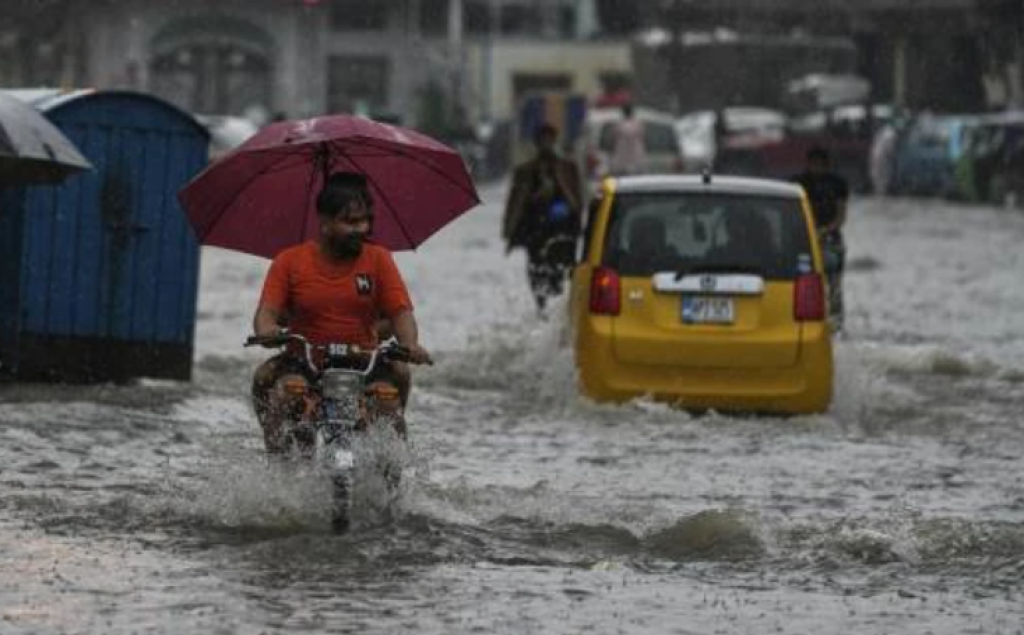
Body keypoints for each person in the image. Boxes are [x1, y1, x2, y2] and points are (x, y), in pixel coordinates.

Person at [251, 172, 431, 453]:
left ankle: (390, 478)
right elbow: (267, 312)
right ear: (325, 222)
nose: (361, 228)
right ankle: (281, 475)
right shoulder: (289, 261)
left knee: (390, 398)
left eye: (365, 220)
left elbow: (401, 313)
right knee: (276, 387)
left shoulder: (379, 259)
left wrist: (410, 343)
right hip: (305, 363)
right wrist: (267, 332)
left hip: (364, 363)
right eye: (350, 221)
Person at [502, 123, 583, 313]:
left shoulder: (567, 168)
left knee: (560, 273)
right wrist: (509, 230)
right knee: (536, 272)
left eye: (549, 139)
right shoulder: (525, 171)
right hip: (535, 232)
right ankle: (542, 306)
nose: (546, 143)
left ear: (554, 140)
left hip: (562, 231)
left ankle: (557, 306)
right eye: (542, 139)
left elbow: (577, 201)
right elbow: (515, 202)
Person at [792, 146, 850, 331]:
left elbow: (841, 216)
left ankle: (836, 323)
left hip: (831, 241)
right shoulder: (799, 184)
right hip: (803, 240)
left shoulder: (837, 184)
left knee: (834, 285)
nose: (816, 167)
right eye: (813, 163)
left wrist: (824, 231)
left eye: (820, 164)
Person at [609, 102, 646, 176]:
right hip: (625, 158)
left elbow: (613, 138)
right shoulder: (636, 123)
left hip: (629, 158)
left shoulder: (620, 124)